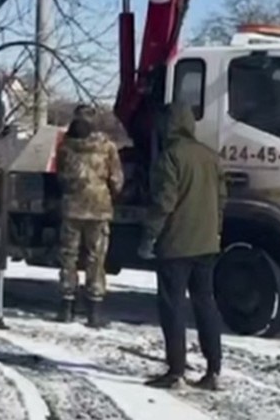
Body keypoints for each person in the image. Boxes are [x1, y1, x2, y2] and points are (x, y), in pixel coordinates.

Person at [139, 100, 225, 390]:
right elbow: (222, 200)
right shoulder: (210, 156)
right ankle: (213, 371)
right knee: (206, 303)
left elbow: (164, 202)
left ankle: (176, 372)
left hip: (176, 244)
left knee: (173, 306)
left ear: (168, 124)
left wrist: (149, 236)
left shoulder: (170, 157)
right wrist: (215, 232)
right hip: (206, 243)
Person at [55, 106, 124, 328]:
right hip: (98, 207)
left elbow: (61, 176)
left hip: (71, 207)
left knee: (69, 256)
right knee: (96, 258)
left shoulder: (66, 145)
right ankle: (93, 311)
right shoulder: (107, 147)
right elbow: (116, 179)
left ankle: (66, 306)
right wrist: (111, 194)